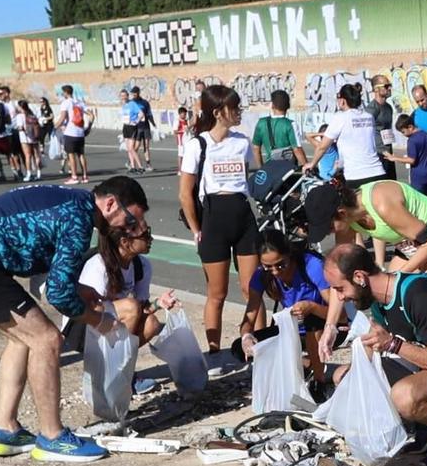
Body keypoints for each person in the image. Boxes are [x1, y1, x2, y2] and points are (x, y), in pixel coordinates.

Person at [0, 175, 148, 463]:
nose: (128, 229)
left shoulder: (74, 203)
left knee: (24, 339)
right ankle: (52, 437)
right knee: (46, 339)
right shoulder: (78, 219)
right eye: (130, 221)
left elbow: (53, 271)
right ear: (110, 204)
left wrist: (80, 290)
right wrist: (96, 319)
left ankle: (5, 430)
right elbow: (57, 294)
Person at [323, 243, 427, 461]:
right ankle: (424, 423)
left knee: (404, 397)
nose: (340, 298)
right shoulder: (379, 301)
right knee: (343, 376)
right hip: (425, 366)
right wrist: (351, 379)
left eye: (340, 289)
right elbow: (375, 343)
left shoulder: (418, 296)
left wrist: (393, 345)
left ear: (359, 277)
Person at [179, 83, 258, 353]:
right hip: (213, 219)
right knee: (217, 293)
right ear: (217, 112)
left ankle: (259, 345)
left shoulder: (242, 142)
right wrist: (196, 228)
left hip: (243, 216)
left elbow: (245, 179)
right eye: (233, 108)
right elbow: (185, 194)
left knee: (253, 288)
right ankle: (214, 351)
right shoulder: (196, 145)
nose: (239, 112)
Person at [240, 230, 333, 387]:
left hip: (325, 328)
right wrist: (246, 337)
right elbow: (249, 315)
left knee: (311, 324)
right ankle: (305, 364)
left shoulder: (312, 266)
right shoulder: (261, 275)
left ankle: (319, 382)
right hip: (293, 330)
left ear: (289, 254)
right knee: (241, 348)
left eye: (281, 264)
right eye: (268, 267)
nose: (276, 271)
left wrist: (312, 307)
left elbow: (340, 315)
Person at [76, 219, 176, 344]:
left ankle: (121, 359)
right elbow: (91, 308)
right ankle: (113, 358)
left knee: (152, 324)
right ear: (125, 242)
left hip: (112, 319)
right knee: (131, 306)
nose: (151, 239)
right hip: (83, 326)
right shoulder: (99, 265)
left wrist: (158, 303)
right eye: (145, 235)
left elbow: (142, 309)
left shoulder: (142, 265)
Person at [338, 176, 427, 274]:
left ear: (342, 213)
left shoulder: (381, 202)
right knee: (389, 289)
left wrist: (399, 276)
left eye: (329, 227)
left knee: (424, 284)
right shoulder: (347, 220)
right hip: (410, 247)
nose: (329, 233)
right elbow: (341, 263)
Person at [303, 82, 387, 189]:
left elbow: (322, 146)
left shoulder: (340, 118)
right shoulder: (369, 116)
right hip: (378, 172)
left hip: (356, 176)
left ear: (342, 100)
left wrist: (312, 164)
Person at [249, 88, 302, 166]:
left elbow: (256, 149)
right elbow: (297, 149)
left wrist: (261, 169)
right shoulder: (291, 124)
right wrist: (307, 167)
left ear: (272, 105)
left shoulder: (261, 123)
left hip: (270, 167)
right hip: (288, 169)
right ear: (288, 105)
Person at [387, 113, 427, 196]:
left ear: (410, 127)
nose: (403, 135)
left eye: (403, 132)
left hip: (418, 178)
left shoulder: (412, 140)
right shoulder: (426, 135)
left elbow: (411, 160)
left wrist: (394, 158)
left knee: (419, 202)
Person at [55, 84, 91, 184]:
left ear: (66, 92)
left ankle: (74, 177)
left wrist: (55, 127)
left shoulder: (65, 103)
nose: (62, 94)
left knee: (71, 155)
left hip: (70, 132)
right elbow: (91, 114)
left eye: (63, 92)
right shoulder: (79, 103)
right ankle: (85, 176)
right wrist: (89, 126)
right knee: (81, 154)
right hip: (80, 132)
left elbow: (62, 118)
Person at [366, 75, 399, 180]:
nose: (389, 88)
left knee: (392, 184)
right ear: (376, 89)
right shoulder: (371, 109)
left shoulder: (388, 107)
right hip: (378, 154)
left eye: (390, 85)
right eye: (386, 86)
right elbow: (366, 133)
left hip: (388, 152)